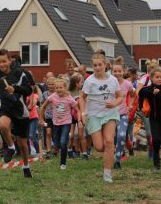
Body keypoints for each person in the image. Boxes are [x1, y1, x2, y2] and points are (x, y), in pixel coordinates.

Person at [79, 54, 123, 182]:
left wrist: (114, 103)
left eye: (100, 65)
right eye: (95, 65)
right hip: (93, 115)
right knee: (99, 147)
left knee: (109, 141)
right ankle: (110, 152)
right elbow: (82, 97)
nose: (97, 67)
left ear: (105, 65)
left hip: (110, 113)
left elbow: (120, 96)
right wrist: (82, 112)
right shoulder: (89, 81)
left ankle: (107, 174)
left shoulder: (113, 80)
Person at [0, 49, 34, 177]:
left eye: (4, 61)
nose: (1, 64)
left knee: (23, 144)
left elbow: (28, 91)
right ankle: (10, 147)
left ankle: (26, 165)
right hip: (6, 107)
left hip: (20, 109)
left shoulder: (20, 73)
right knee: (3, 125)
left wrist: (14, 88)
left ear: (10, 61)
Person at [138, 67, 161, 171]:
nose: (159, 79)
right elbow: (140, 94)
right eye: (157, 77)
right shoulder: (147, 89)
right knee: (155, 140)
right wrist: (141, 106)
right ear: (151, 78)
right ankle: (156, 163)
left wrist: (160, 94)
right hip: (153, 118)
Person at [40, 77, 78, 170]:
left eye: (60, 88)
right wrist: (41, 119)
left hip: (66, 122)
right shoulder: (52, 97)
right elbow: (43, 106)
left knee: (62, 142)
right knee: (57, 142)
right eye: (57, 88)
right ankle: (63, 142)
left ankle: (63, 163)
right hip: (56, 123)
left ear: (65, 88)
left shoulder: (69, 98)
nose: (58, 90)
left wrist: (80, 119)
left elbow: (77, 109)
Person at [112, 58, 135, 169]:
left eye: (119, 71)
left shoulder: (128, 84)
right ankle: (111, 156)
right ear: (111, 72)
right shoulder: (108, 83)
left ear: (124, 71)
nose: (117, 73)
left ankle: (117, 159)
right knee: (112, 138)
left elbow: (133, 95)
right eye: (114, 71)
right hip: (110, 115)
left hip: (123, 114)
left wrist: (130, 105)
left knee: (121, 136)